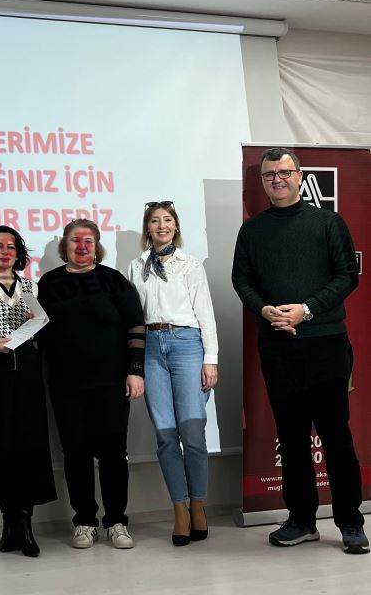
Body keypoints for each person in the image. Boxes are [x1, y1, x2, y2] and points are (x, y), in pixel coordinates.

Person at [232, 147, 367, 554]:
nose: (277, 180)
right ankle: (302, 520)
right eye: (269, 174)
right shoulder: (252, 231)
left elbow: (347, 275)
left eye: (284, 172)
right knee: (290, 439)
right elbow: (242, 281)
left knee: (336, 437)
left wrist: (306, 310)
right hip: (278, 347)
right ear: (263, 181)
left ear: (299, 175)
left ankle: (349, 523)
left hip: (325, 344)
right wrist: (264, 308)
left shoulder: (327, 222)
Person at [37, 220, 145, 550]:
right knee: (76, 453)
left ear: (97, 245)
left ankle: (116, 521)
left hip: (111, 383)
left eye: (88, 240)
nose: (82, 246)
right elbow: (38, 332)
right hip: (66, 384)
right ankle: (84, 521)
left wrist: (135, 371)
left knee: (114, 454)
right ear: (64, 246)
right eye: (74, 240)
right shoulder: (49, 284)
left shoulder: (113, 280)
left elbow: (136, 326)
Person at [127, 202, 218, 546]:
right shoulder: (136, 267)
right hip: (151, 346)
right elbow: (134, 316)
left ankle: (198, 506)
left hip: (186, 344)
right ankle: (179, 510)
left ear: (176, 227)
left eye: (167, 220)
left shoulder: (190, 265)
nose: (161, 225)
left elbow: (205, 313)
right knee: (166, 436)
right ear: (147, 228)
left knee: (191, 433)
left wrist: (211, 359)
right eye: (154, 221)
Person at [0, 227, 57, 557]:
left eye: (11, 246)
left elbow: (42, 328)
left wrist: (39, 324)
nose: (5, 251)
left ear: (19, 253)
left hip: (28, 373)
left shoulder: (30, 286)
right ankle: (8, 524)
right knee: (1, 446)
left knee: (30, 446)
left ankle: (27, 524)